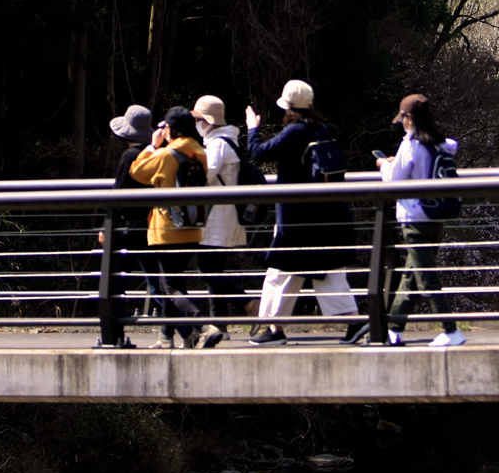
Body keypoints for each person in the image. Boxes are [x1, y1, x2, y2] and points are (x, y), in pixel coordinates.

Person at [244, 78, 363, 346]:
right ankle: (354, 322)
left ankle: (272, 330)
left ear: (289, 108)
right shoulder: (321, 129)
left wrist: (253, 128)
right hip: (325, 217)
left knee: (280, 273)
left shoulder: (295, 132)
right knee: (328, 271)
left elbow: (258, 153)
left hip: (297, 221)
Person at [375, 94, 465, 347]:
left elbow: (394, 182)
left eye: (402, 119)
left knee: (425, 277)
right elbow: (447, 149)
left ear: (410, 119)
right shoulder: (439, 142)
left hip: (415, 219)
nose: (401, 123)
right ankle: (394, 329)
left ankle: (451, 331)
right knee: (412, 275)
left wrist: (384, 164)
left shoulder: (410, 144)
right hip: (436, 218)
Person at [128, 105, 209, 348]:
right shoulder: (199, 152)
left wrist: (153, 146)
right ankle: (166, 337)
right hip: (193, 228)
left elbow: (138, 172)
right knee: (173, 282)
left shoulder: (165, 155)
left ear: (170, 129)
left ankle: (203, 325)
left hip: (166, 230)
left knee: (169, 286)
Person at [191, 94, 248, 349]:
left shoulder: (217, 144)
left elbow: (206, 176)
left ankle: (247, 304)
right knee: (215, 269)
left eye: (197, 119)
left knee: (208, 269)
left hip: (217, 217)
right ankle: (220, 324)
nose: (196, 124)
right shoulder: (226, 140)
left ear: (207, 121)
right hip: (224, 215)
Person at [103, 104, 156, 347]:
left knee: (117, 280)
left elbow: (118, 193)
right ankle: (182, 327)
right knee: (157, 281)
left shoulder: (129, 156)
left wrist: (107, 226)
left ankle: (115, 333)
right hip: (153, 225)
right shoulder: (156, 154)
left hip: (129, 227)